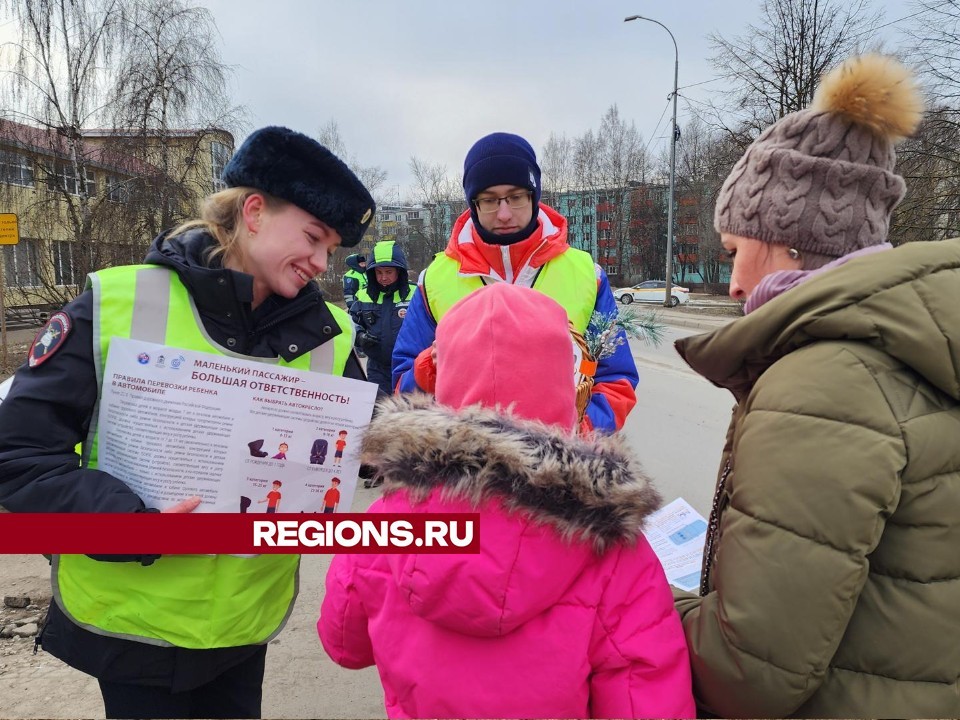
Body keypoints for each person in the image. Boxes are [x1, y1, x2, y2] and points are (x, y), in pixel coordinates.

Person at [0, 125, 375, 719]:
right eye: (312, 237)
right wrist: (126, 523)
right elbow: (18, 457)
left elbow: (371, 443)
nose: (322, 262)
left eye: (333, 248)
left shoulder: (328, 334)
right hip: (133, 629)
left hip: (243, 627)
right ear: (254, 212)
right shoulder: (117, 303)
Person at [671, 55, 960, 718]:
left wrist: (641, 591)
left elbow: (749, 673)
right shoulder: (914, 346)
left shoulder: (824, 382)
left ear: (789, 241)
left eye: (733, 251)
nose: (736, 283)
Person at [319, 283, 694, 719]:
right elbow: (642, 697)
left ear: (444, 378)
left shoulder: (385, 520)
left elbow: (343, 643)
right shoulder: (609, 541)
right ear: (563, 381)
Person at [391, 132, 638, 434]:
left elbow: (617, 380)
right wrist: (430, 365)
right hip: (466, 467)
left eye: (516, 197)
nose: (505, 213)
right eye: (490, 200)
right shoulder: (436, 280)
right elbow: (402, 384)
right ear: (473, 204)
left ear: (533, 196)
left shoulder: (587, 274)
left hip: (559, 466)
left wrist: (578, 437)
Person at [350, 240, 416, 397]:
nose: (383, 277)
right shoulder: (363, 295)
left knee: (409, 412)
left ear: (399, 271)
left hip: (409, 365)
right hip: (377, 367)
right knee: (379, 411)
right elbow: (351, 322)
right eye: (379, 273)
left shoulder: (415, 293)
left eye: (388, 272)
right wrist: (360, 337)